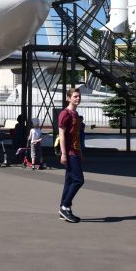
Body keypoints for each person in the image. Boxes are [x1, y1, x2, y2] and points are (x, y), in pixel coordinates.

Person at [58, 88, 85, 222]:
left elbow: (76, 136)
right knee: (79, 180)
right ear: (68, 98)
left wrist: (80, 152)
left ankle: (64, 210)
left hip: (75, 151)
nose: (78, 98)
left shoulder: (75, 113)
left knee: (69, 180)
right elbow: (61, 135)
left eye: (79, 96)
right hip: (69, 152)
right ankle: (65, 206)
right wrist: (63, 154)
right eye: (75, 96)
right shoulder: (65, 114)